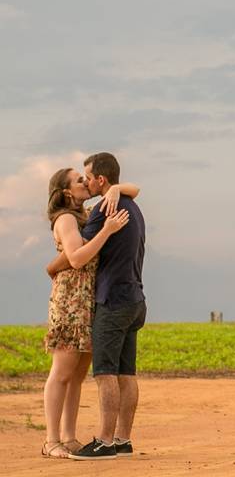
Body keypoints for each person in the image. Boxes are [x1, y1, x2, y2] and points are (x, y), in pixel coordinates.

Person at [41, 167, 137, 459]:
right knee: (62, 372)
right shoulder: (67, 218)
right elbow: (77, 258)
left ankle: (69, 437)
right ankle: (51, 440)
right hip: (70, 301)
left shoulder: (86, 214)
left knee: (78, 373)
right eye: (78, 179)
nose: (85, 182)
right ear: (66, 191)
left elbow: (136, 189)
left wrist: (116, 189)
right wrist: (108, 231)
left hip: (86, 301)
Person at [64, 152, 148, 461]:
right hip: (136, 300)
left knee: (105, 374)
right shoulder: (133, 206)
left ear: (101, 179)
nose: (85, 181)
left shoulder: (104, 209)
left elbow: (80, 254)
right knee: (127, 373)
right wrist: (118, 188)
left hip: (112, 301)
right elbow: (133, 188)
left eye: (88, 176)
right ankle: (123, 440)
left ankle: (105, 441)